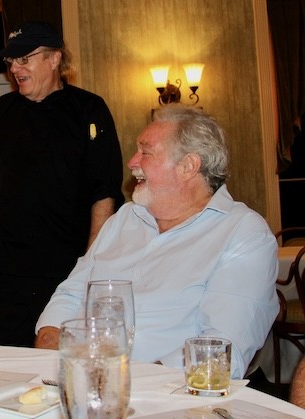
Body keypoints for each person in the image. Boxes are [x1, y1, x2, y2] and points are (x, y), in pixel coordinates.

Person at [35, 104, 279, 379]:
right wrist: (49, 346)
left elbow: (220, 352)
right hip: (76, 380)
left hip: (167, 394)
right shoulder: (124, 218)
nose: (132, 162)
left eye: (145, 152)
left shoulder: (243, 233)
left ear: (188, 166)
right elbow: (71, 294)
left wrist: (128, 382)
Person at [0, 21, 124, 347]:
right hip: (7, 274)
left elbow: (104, 194)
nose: (15, 69)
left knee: (61, 365)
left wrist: (91, 265)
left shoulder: (89, 110)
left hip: (65, 274)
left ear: (54, 59)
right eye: (11, 61)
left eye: (24, 59)